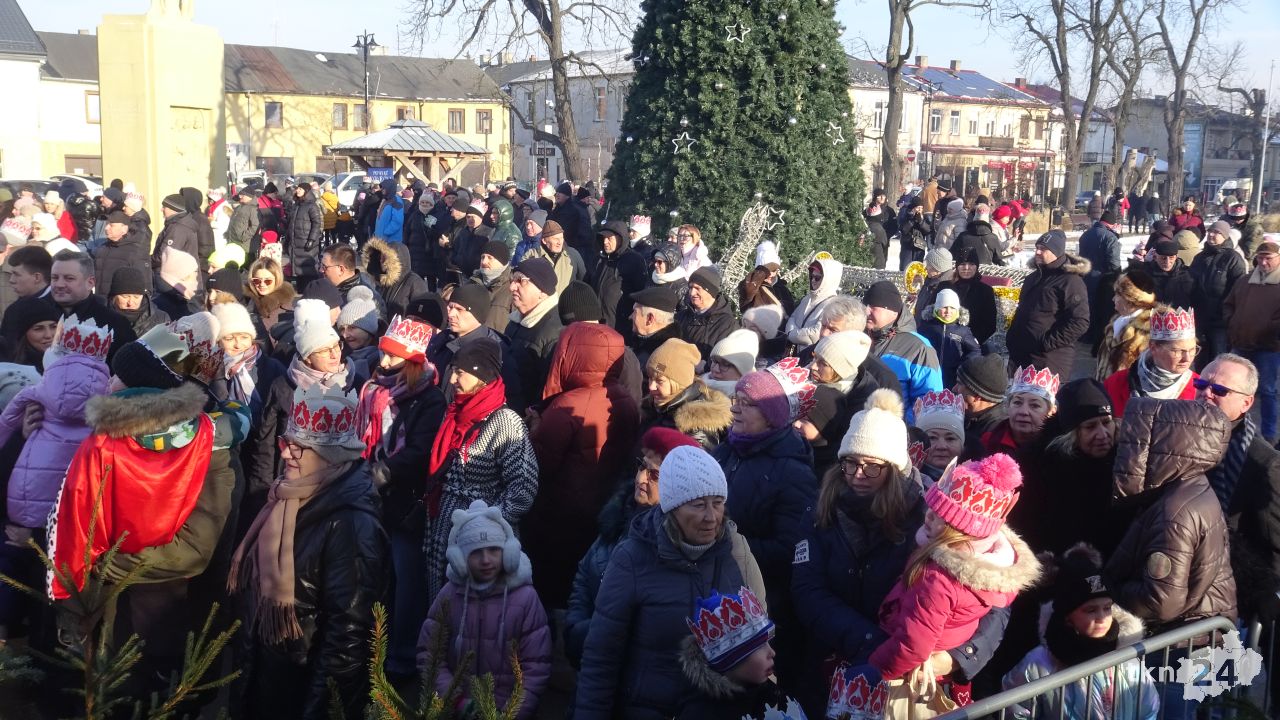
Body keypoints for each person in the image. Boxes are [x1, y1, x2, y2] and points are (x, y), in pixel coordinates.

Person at [832, 454, 1039, 717]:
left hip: (903, 672)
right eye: (932, 507)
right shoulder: (990, 569)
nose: (928, 515)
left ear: (960, 530)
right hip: (937, 673)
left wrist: (874, 669)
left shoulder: (938, 577)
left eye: (941, 514)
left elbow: (913, 644)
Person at [229, 384, 387, 719]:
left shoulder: (351, 525)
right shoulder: (286, 497)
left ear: (330, 456)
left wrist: (320, 710)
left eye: (299, 448)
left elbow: (348, 640)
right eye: (285, 443)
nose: (286, 454)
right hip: (269, 678)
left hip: (299, 690)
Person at [573, 445, 765, 719]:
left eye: (717, 503)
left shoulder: (737, 550)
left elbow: (760, 640)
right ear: (672, 507)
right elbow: (601, 656)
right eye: (698, 505)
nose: (711, 517)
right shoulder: (633, 557)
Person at [1103, 397, 1235, 720]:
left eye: (1136, 441)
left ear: (1164, 446)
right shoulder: (1191, 487)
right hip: (1197, 643)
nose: (1126, 450)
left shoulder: (1174, 512)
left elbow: (1161, 600)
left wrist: (1112, 593)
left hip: (1178, 653)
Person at [0, 317, 111, 639]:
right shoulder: (108, 405)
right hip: (78, 525)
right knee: (59, 605)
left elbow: (5, 428)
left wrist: (19, 436)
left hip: (26, 516)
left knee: (26, 591)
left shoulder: (35, 397)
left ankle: (20, 646)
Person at [713, 358, 818, 683]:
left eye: (748, 404)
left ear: (772, 415)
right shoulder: (727, 450)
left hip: (761, 604)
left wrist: (727, 546)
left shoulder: (793, 471)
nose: (735, 408)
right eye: (736, 399)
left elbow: (789, 548)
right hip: (718, 587)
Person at [524, 322, 640, 609]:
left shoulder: (567, 405)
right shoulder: (626, 400)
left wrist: (535, 428)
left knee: (551, 588)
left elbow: (541, 465)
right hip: (603, 511)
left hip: (559, 517)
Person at [563, 428, 700, 669]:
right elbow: (585, 572)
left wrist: (595, 634)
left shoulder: (675, 545)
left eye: (654, 475)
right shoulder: (620, 515)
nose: (641, 479)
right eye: (641, 466)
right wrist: (577, 626)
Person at [422, 337, 538, 601]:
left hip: (483, 546)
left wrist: (486, 523)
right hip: (444, 534)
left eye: (460, 372)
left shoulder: (505, 422)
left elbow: (523, 489)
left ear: (481, 376)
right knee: (444, 614)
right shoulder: (454, 414)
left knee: (481, 613)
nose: (452, 380)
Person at [416, 500, 551, 719]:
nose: (486, 560)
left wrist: (510, 712)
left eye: (494, 550)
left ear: (508, 553)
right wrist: (455, 700)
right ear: (460, 559)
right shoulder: (449, 594)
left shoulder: (526, 599)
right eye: (476, 553)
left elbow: (536, 667)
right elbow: (430, 655)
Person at [1003, 545, 1158, 720]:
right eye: (1090, 610)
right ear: (1068, 616)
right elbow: (1015, 712)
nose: (1102, 618)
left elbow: (1147, 709)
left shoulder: (1127, 658)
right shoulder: (1038, 664)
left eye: (1107, 608)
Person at [1197, 355, 1280, 625]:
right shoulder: (1177, 439)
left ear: (1246, 403)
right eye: (1201, 385)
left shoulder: (1263, 463)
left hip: (1232, 600)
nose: (1206, 393)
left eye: (1220, 390)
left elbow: (1273, 549)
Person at [676, 586, 798, 720]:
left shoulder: (768, 693)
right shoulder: (701, 713)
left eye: (768, 642)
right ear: (730, 660)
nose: (772, 652)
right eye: (760, 646)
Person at [1006, 230, 1090, 379]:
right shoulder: (1033, 278)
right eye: (1037, 247)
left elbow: (1079, 322)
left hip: (1048, 360)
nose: (1037, 252)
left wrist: (1045, 343)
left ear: (1056, 252)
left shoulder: (1070, 281)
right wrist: (1013, 337)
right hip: (1021, 356)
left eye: (1043, 248)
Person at [1225, 237, 1280, 440]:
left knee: (1267, 391)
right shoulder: (1245, 281)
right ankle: (1232, 430)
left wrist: (1271, 330)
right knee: (1234, 389)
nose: (1263, 262)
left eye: (1268, 258)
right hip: (1241, 344)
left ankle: (1268, 435)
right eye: (1260, 258)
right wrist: (1231, 322)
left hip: (1268, 348)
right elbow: (1228, 303)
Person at [1102, 305, 1199, 417]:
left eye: (1192, 350)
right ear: (1153, 347)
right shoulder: (1116, 383)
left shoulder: (1200, 388)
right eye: (1177, 351)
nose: (1187, 358)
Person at [862, 280, 943, 413]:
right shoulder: (858, 337)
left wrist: (902, 423)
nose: (867, 311)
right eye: (865, 305)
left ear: (893, 311)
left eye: (873, 307)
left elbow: (929, 400)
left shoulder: (919, 348)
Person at [641, 337, 732, 450]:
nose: (651, 386)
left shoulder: (697, 428)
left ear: (680, 382)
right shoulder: (653, 408)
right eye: (650, 378)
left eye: (659, 381)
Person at [47, 251, 135, 360]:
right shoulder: (38, 315)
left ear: (90, 283)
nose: (59, 284)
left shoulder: (114, 323)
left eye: (69, 278)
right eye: (55, 278)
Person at [504, 257, 562, 406]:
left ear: (542, 291)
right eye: (513, 279)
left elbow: (551, 389)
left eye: (520, 281)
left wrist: (534, 412)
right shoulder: (515, 321)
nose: (512, 287)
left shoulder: (554, 332)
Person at [1190, 219, 1247, 368]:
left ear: (1225, 236)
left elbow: (1238, 290)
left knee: (1219, 359)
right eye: (1210, 231)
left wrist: (1230, 315)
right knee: (1198, 357)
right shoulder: (1199, 257)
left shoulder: (1233, 258)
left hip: (1220, 321)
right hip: (1199, 318)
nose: (1211, 235)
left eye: (1217, 232)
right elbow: (1190, 283)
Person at [981, 365, 1058, 466]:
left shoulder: (1058, 451)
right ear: (1008, 406)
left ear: (1051, 411)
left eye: (1034, 405)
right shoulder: (989, 441)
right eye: (1017, 403)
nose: (1023, 411)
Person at [1095, 269, 1157, 382]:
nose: (1113, 299)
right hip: (1105, 388)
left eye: (1118, 295)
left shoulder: (1147, 331)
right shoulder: (1117, 321)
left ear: (1130, 299)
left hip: (1126, 391)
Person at [917, 289, 980, 388]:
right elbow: (917, 345)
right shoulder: (927, 326)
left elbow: (974, 350)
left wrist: (963, 366)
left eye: (952, 308)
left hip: (952, 377)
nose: (948, 311)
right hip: (929, 373)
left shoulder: (962, 330)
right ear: (937, 308)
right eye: (944, 307)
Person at [591, 221, 647, 330]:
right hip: (597, 322)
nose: (605, 242)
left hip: (620, 325)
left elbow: (641, 292)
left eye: (609, 238)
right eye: (603, 238)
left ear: (620, 238)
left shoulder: (634, 260)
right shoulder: (599, 259)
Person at [676, 266, 739, 359]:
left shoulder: (727, 325)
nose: (692, 293)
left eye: (697, 288)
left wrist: (706, 365)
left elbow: (727, 360)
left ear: (710, 291)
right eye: (690, 287)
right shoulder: (680, 317)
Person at [784, 258, 843, 353]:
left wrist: (791, 334)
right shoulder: (807, 298)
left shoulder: (833, 305)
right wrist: (791, 332)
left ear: (828, 280)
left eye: (817, 278)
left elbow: (816, 334)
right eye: (811, 276)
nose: (813, 280)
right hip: (795, 352)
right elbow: (793, 317)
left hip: (810, 355)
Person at [361, 238, 428, 320]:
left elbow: (421, 315)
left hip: (404, 327)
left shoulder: (415, 283)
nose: (381, 260)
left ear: (394, 261)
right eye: (380, 257)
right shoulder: (380, 281)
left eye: (384, 257)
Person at [954, 354, 1007, 455]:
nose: (954, 389)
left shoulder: (996, 433)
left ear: (977, 395)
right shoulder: (971, 417)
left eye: (960, 383)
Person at [912, 389, 967, 486]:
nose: (941, 446)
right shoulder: (906, 482)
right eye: (932, 438)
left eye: (950, 439)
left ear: (962, 445)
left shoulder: (976, 483)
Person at [950, 246, 998, 345]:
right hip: (948, 341)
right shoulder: (948, 288)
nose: (966, 268)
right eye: (962, 264)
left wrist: (972, 341)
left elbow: (990, 324)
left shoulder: (985, 291)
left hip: (972, 343)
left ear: (977, 266)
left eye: (971, 264)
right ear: (957, 266)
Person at [1, 295, 61, 371]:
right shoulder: (7, 371)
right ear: (22, 335)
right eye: (38, 329)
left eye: (53, 327)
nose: (48, 335)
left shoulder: (71, 360)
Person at [629, 284, 684, 367]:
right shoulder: (639, 344)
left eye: (635, 312)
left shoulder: (662, 360)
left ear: (650, 319)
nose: (630, 317)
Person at [109, 267, 170, 338]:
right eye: (125, 296)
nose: (130, 303)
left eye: (136, 297)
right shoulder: (102, 317)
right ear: (115, 295)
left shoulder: (161, 319)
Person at [151, 193, 204, 272]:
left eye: (164, 207)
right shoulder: (176, 225)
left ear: (174, 209)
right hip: (181, 274)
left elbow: (166, 255)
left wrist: (146, 262)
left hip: (179, 276)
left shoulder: (178, 228)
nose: (161, 209)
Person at [699, 328, 758, 396]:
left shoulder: (747, 400)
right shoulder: (698, 383)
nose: (715, 369)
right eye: (714, 361)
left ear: (742, 372)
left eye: (725, 364)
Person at [153, 247, 203, 321]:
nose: (196, 281)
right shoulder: (168, 306)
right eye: (195, 274)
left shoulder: (182, 297)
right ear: (184, 276)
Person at [1144, 239, 1196, 309]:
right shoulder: (1145, 274)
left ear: (1176, 257)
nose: (1167, 262)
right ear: (1155, 257)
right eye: (1163, 258)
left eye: (1171, 258)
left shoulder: (1187, 274)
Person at [865, 188, 892, 268]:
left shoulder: (889, 211)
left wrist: (887, 235)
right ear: (875, 197)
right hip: (871, 239)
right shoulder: (869, 209)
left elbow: (894, 226)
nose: (882, 198)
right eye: (880, 196)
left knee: (881, 262)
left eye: (884, 196)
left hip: (884, 239)